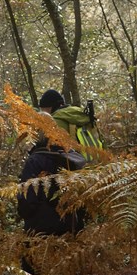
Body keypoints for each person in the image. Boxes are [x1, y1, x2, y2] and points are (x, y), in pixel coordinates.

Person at [17, 88, 86, 237]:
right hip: (71, 228)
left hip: (41, 232)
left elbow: (27, 201)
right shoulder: (73, 158)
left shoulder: (35, 161)